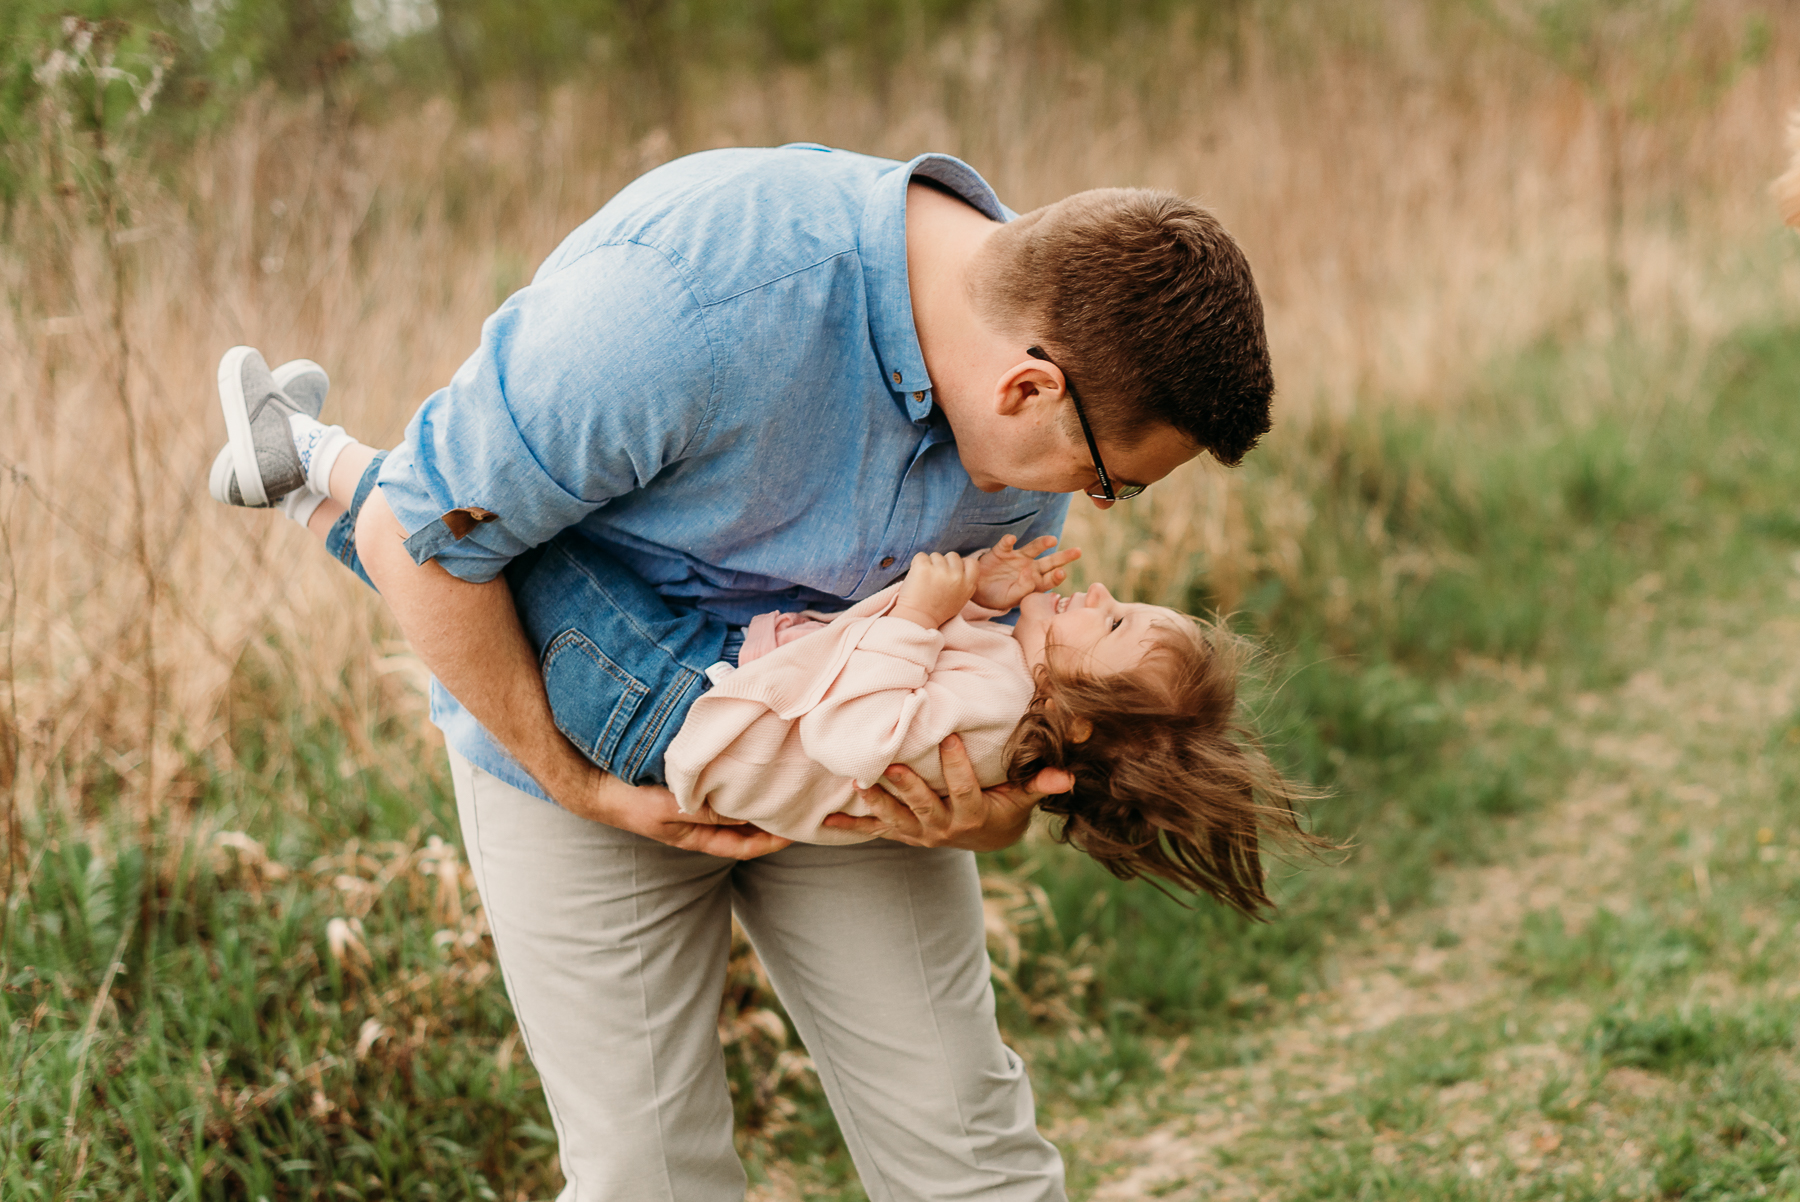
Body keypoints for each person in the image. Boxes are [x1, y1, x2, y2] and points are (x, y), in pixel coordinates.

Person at [208, 144, 1275, 1200]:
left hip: (852, 759)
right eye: (1108, 479)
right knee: (651, 1177)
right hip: (591, 728)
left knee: (967, 1150)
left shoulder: (1046, 383)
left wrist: (981, 814)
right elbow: (421, 534)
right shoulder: (681, 302)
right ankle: (303, 462)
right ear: (1028, 386)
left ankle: (299, 463)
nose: (1094, 506)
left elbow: (988, 709)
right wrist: (582, 785)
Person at [216, 389, 1314, 908]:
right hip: (690, 696)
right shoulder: (1001, 694)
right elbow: (891, 661)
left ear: (1076, 716)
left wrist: (934, 613)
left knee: (510, 550)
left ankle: (315, 447)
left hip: (667, 704)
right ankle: (294, 491)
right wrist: (976, 591)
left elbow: (853, 721)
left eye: (1115, 626)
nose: (1106, 592)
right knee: (486, 572)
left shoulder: (984, 718)